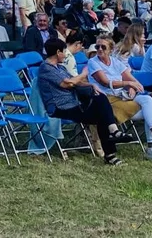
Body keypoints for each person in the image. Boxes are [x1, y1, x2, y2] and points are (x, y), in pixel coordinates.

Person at [36, 37, 134, 165]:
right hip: (60, 108)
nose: (66, 55)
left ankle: (113, 136)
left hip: (74, 104)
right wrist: (84, 73)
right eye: (64, 52)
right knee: (101, 112)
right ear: (58, 52)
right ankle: (111, 148)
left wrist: (91, 85)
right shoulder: (46, 68)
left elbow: (75, 82)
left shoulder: (60, 68)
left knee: (101, 100)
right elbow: (68, 84)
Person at [88, 35, 152, 164]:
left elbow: (132, 79)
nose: (99, 49)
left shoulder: (115, 61)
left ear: (110, 49)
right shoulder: (93, 62)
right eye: (97, 46)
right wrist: (127, 84)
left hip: (123, 97)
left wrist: (133, 87)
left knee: (148, 102)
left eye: (103, 47)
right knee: (149, 110)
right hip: (107, 100)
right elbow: (105, 82)